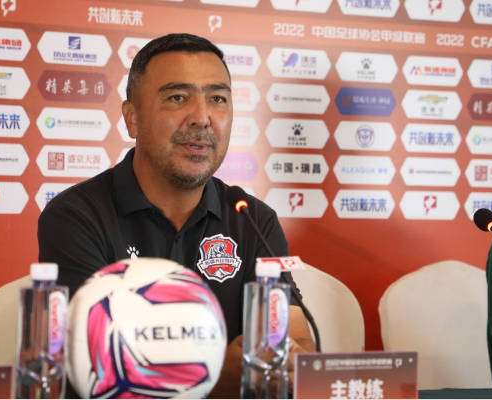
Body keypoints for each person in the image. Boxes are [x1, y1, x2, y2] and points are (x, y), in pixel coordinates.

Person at [38, 32, 314, 397]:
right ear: (132, 118)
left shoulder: (253, 219)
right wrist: (214, 378)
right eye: (177, 97)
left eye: (217, 98)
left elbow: (296, 339)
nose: (202, 118)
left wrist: (285, 361)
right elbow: (90, 364)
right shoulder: (76, 216)